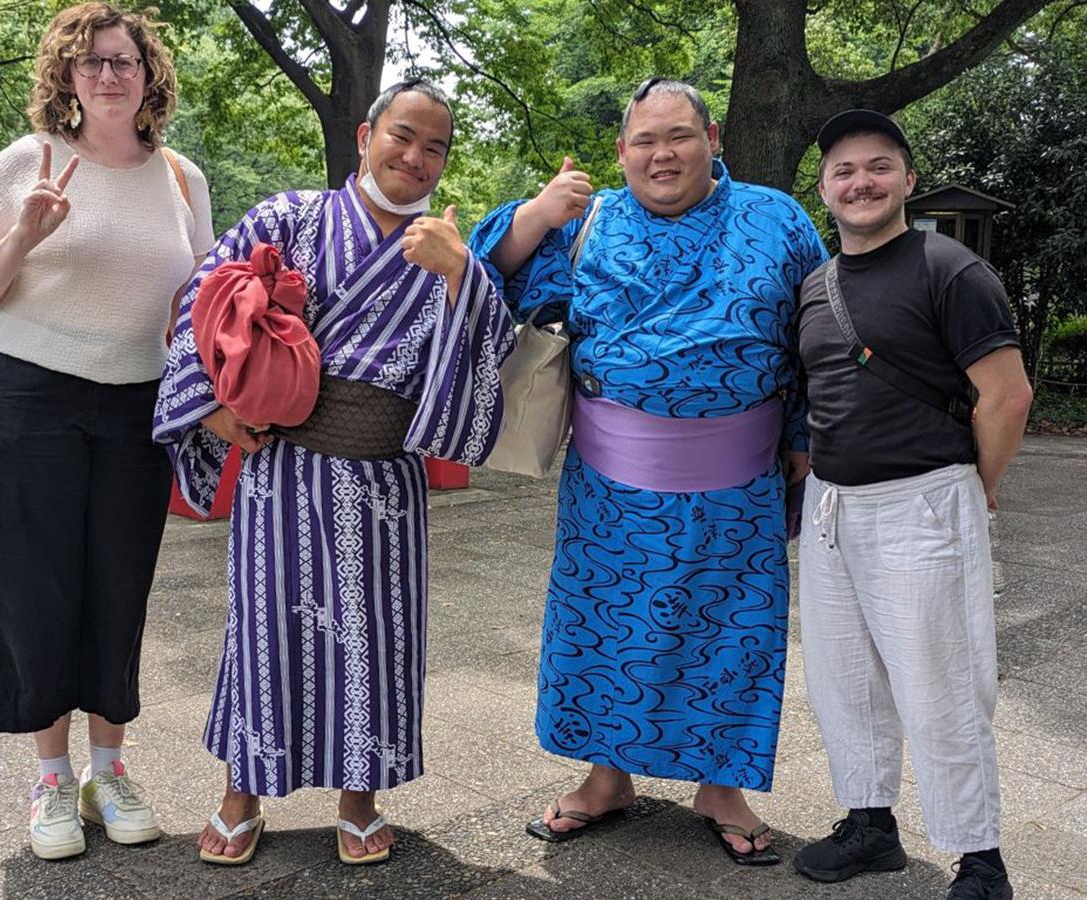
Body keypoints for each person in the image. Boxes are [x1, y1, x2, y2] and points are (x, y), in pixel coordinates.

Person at [154, 78, 514, 866]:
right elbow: (201, 302)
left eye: (435, 147)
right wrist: (211, 406)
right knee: (261, 629)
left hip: (386, 480)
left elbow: (494, 350)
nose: (416, 157)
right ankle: (239, 795)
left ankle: (361, 799)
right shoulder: (290, 217)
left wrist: (462, 277)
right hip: (283, 465)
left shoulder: (448, 251)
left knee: (377, 638)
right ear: (365, 135)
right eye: (403, 135)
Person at [467, 79, 827, 864]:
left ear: (714, 137)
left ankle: (720, 786)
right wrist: (535, 212)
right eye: (644, 141)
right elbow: (480, 274)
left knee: (732, 632)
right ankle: (606, 777)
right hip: (610, 479)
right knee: (606, 630)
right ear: (623, 150)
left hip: (739, 474)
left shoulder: (779, 220)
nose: (662, 154)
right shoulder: (588, 221)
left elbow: (816, 339)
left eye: (679, 136)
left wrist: (805, 436)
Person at [0, 3, 213, 861]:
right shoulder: (31, 161)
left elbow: (198, 302)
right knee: (36, 588)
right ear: (67, 74)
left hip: (137, 403)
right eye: (92, 61)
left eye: (124, 60)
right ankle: (52, 779)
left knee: (119, 585)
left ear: (148, 74)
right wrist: (23, 231)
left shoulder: (182, 179)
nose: (108, 74)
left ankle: (110, 768)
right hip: (24, 394)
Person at [792, 109, 1031, 900]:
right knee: (844, 679)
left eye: (878, 167)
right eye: (844, 172)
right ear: (824, 189)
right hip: (831, 507)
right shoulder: (817, 285)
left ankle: (980, 858)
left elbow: (1006, 397)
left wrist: (976, 484)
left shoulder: (951, 270)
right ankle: (870, 825)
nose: (861, 182)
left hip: (922, 504)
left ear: (907, 180)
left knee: (941, 685)